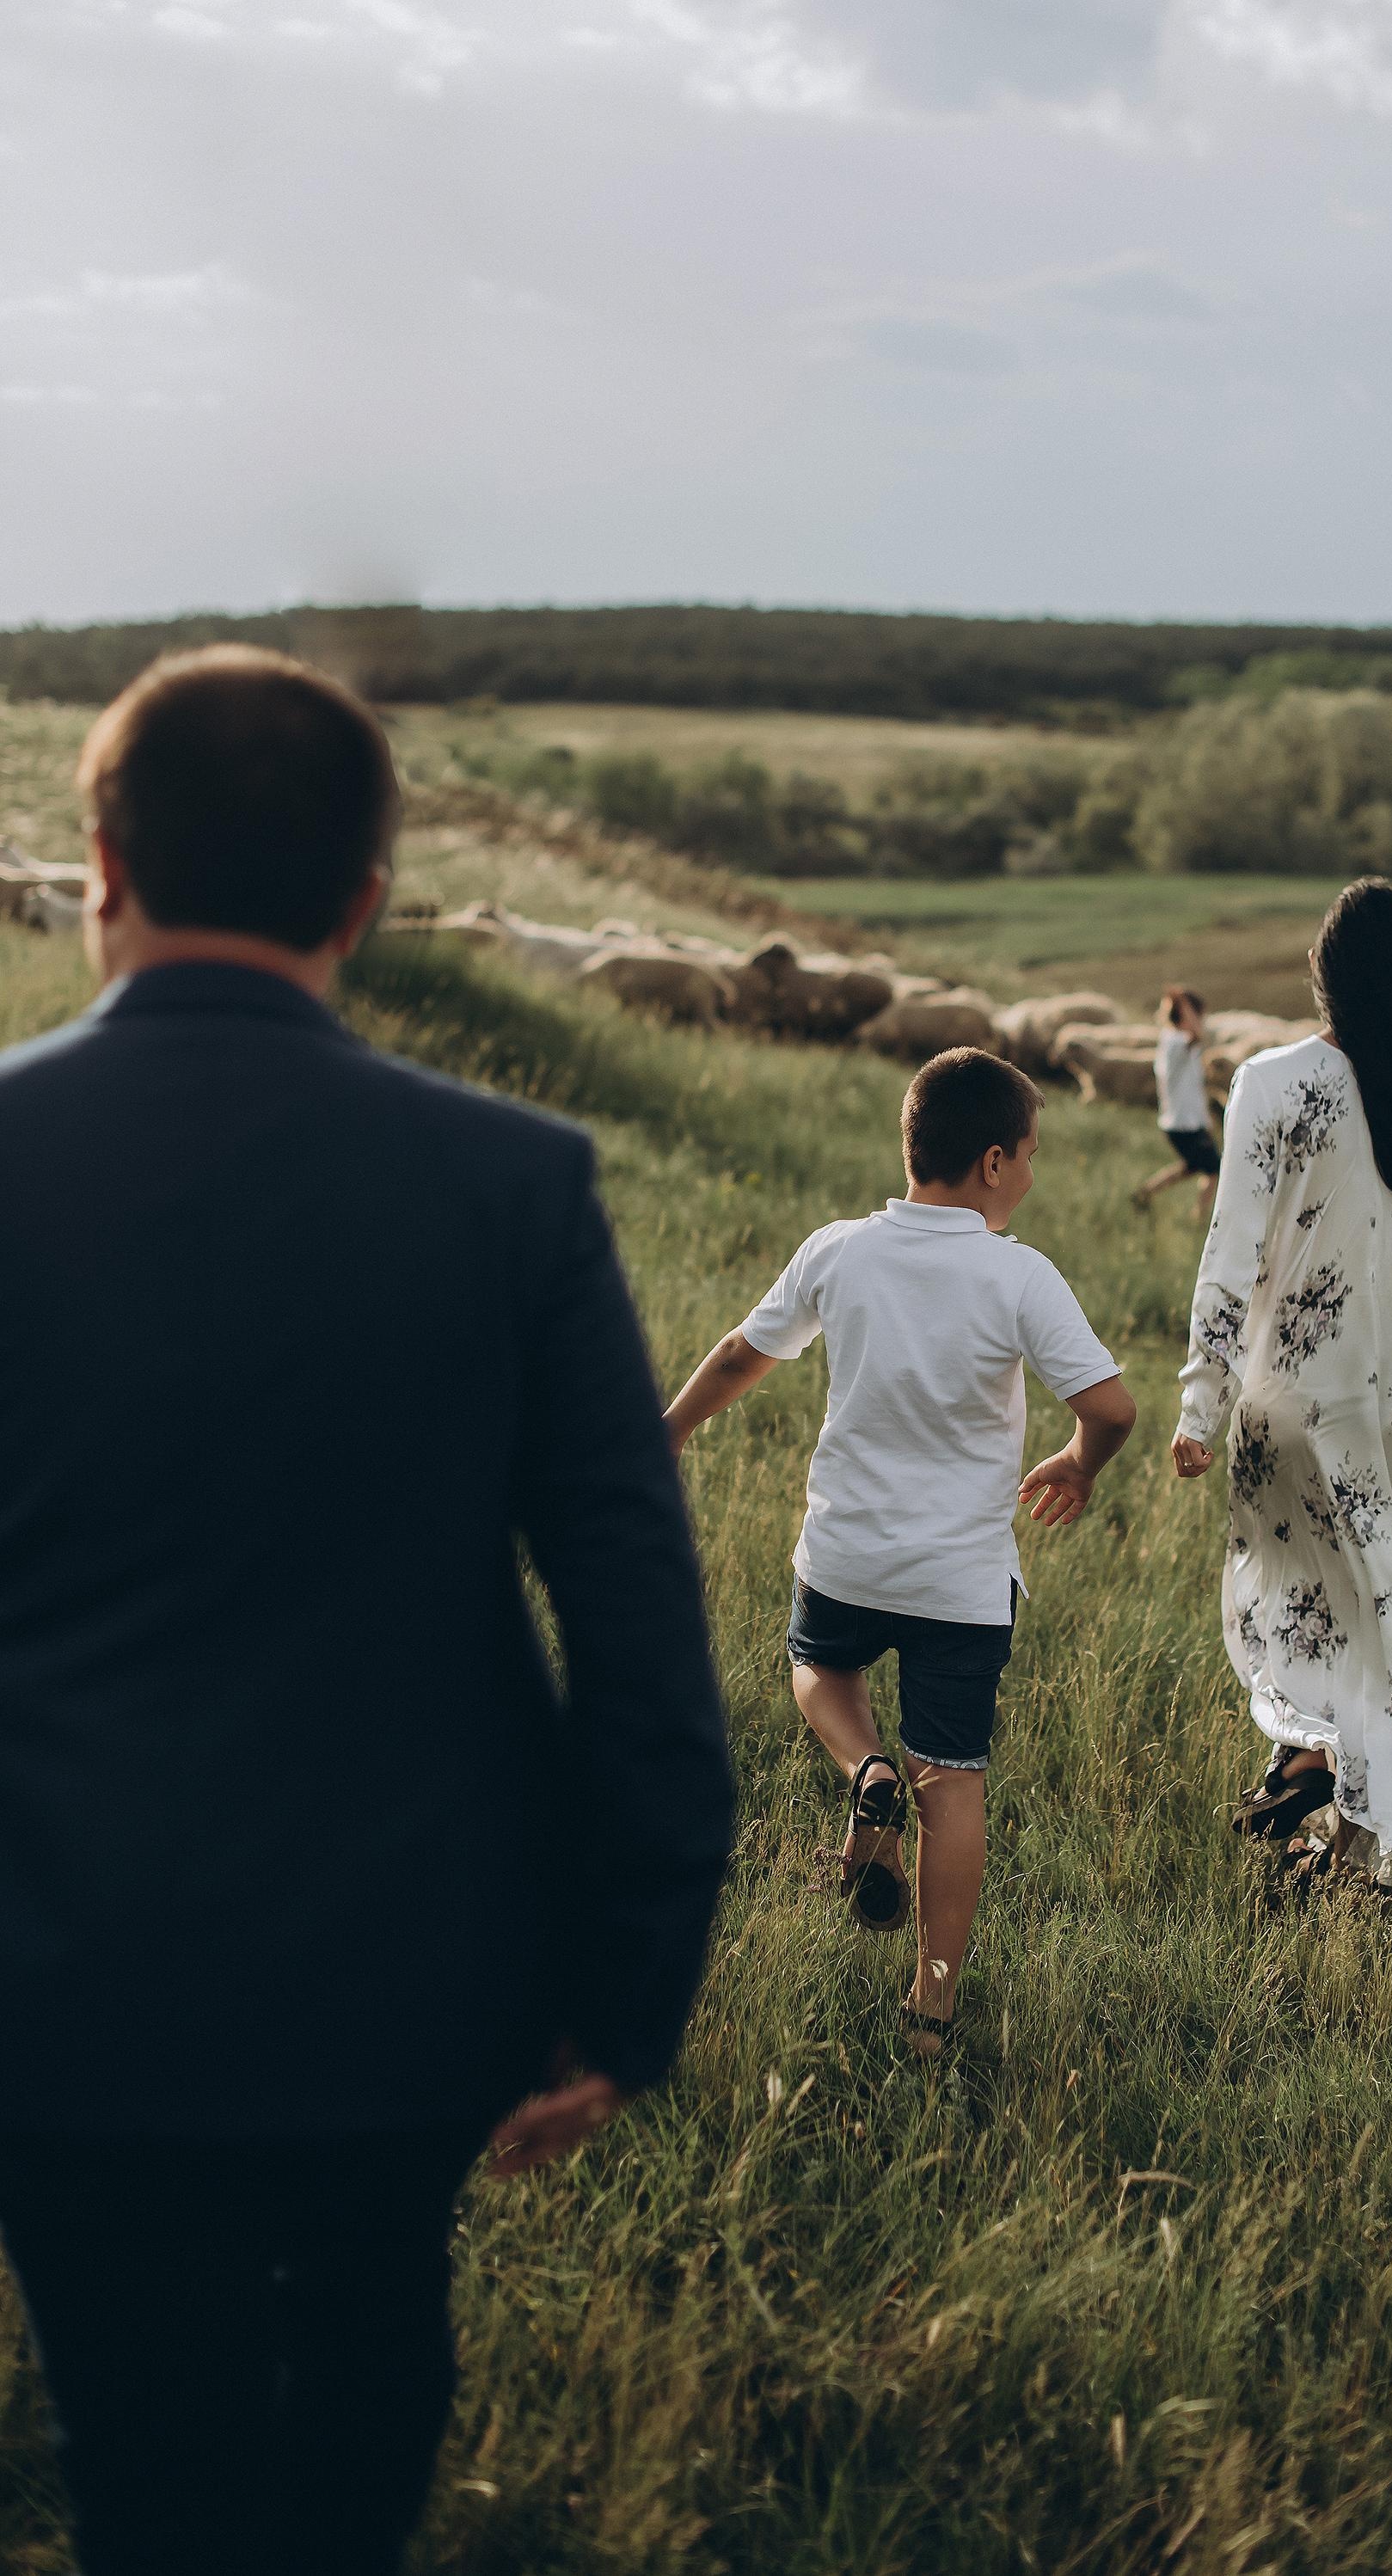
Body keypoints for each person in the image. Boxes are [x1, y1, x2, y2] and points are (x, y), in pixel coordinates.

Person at [0, 647, 733, 2576]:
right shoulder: (511, 1186)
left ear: (100, 862)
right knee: (360, 2395)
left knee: (142, 2456)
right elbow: (637, 1620)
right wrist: (619, 1983)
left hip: (57, 1974)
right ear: (365, 904)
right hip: (407, 1981)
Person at [665, 1048, 1135, 2056]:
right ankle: (929, 2008)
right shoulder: (1018, 1274)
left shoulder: (838, 1250)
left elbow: (743, 1352)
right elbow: (1110, 1406)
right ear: (997, 1162)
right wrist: (1078, 1461)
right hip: (958, 1587)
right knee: (951, 1784)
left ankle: (863, 1764)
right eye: (1034, 1156)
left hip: (845, 1560)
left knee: (818, 1668)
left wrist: (667, 1431)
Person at [1170, 878, 1392, 1891]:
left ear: (1325, 980)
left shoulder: (1273, 1082)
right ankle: (1348, 1825)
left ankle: (1318, 1789)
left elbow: (1229, 1253)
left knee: (1303, 1608)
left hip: (1286, 1407)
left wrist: (1199, 1403)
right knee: (1389, 1627)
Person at [1136, 984, 1221, 1217]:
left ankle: (1144, 1194)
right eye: (1198, 1015)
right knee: (1214, 1170)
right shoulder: (1176, 1042)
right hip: (1183, 1124)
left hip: (1186, 1122)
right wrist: (1183, 1002)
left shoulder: (1176, 1042)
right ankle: (1198, 1217)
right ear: (1186, 1015)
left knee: (1191, 1167)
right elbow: (1198, 1034)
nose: (1201, 1020)